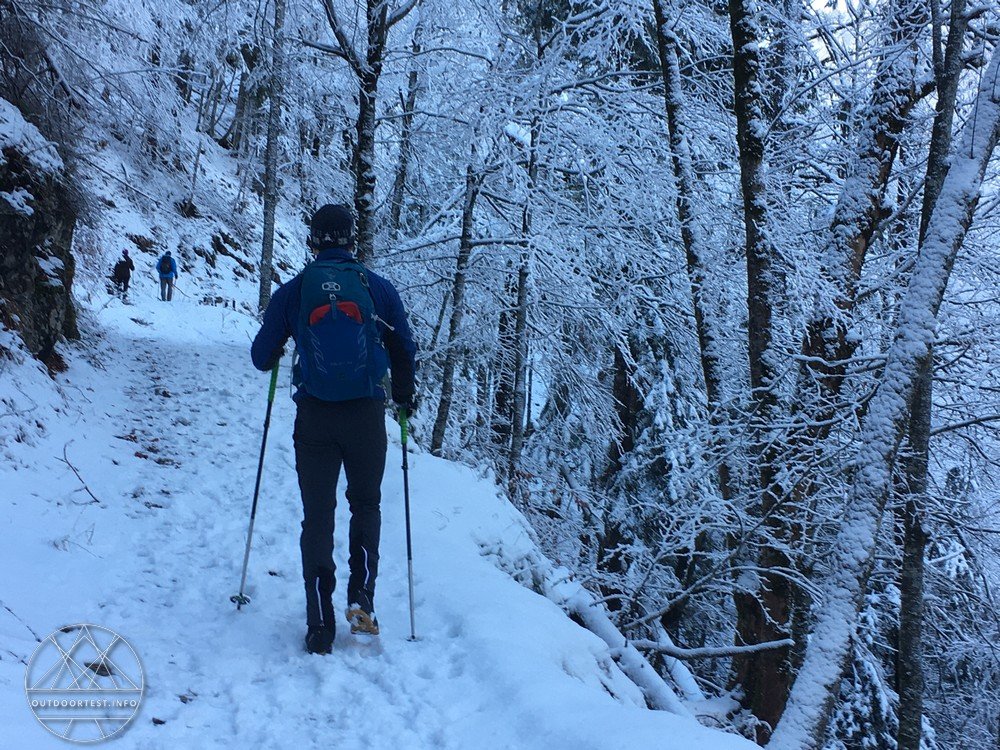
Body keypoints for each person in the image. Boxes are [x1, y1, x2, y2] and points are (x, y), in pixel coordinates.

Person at [251, 204, 417, 655]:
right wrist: (404, 394)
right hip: (365, 415)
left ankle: (320, 621)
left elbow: (260, 354)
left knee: (318, 515)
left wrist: (281, 349)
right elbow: (404, 346)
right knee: (366, 504)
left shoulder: (295, 291)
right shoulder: (376, 288)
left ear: (313, 240)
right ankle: (361, 597)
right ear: (351, 239)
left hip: (315, 417)